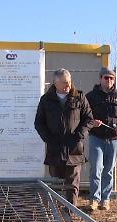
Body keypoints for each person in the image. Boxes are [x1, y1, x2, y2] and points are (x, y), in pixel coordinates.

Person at [34, 68, 94, 207]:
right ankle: (56, 216)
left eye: (69, 82)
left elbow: (89, 119)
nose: (68, 86)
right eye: (64, 83)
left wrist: (79, 135)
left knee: (72, 185)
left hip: (74, 149)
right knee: (56, 184)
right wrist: (49, 139)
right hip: (55, 150)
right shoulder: (46, 99)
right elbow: (39, 123)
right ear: (55, 83)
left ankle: (69, 216)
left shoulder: (79, 97)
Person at [86, 67, 117, 211]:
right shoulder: (91, 96)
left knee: (108, 170)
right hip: (96, 138)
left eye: (111, 78)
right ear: (100, 78)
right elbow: (84, 115)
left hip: (114, 139)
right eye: (106, 78)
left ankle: (105, 199)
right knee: (96, 168)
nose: (109, 80)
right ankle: (94, 199)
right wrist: (92, 122)